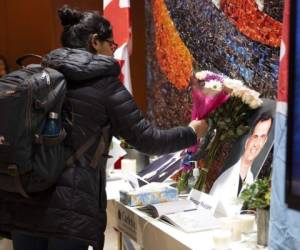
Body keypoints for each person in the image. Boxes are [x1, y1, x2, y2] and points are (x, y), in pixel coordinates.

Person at [0, 6, 208, 250]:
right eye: (111, 43)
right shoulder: (105, 86)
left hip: (23, 202)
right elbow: (147, 139)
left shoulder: (39, 76)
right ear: (94, 42)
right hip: (70, 211)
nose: (114, 49)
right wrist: (193, 132)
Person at [209, 113, 273, 214]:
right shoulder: (223, 174)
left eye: (262, 137)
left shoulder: (252, 180)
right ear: (247, 141)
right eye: (255, 136)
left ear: (265, 142)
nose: (256, 144)